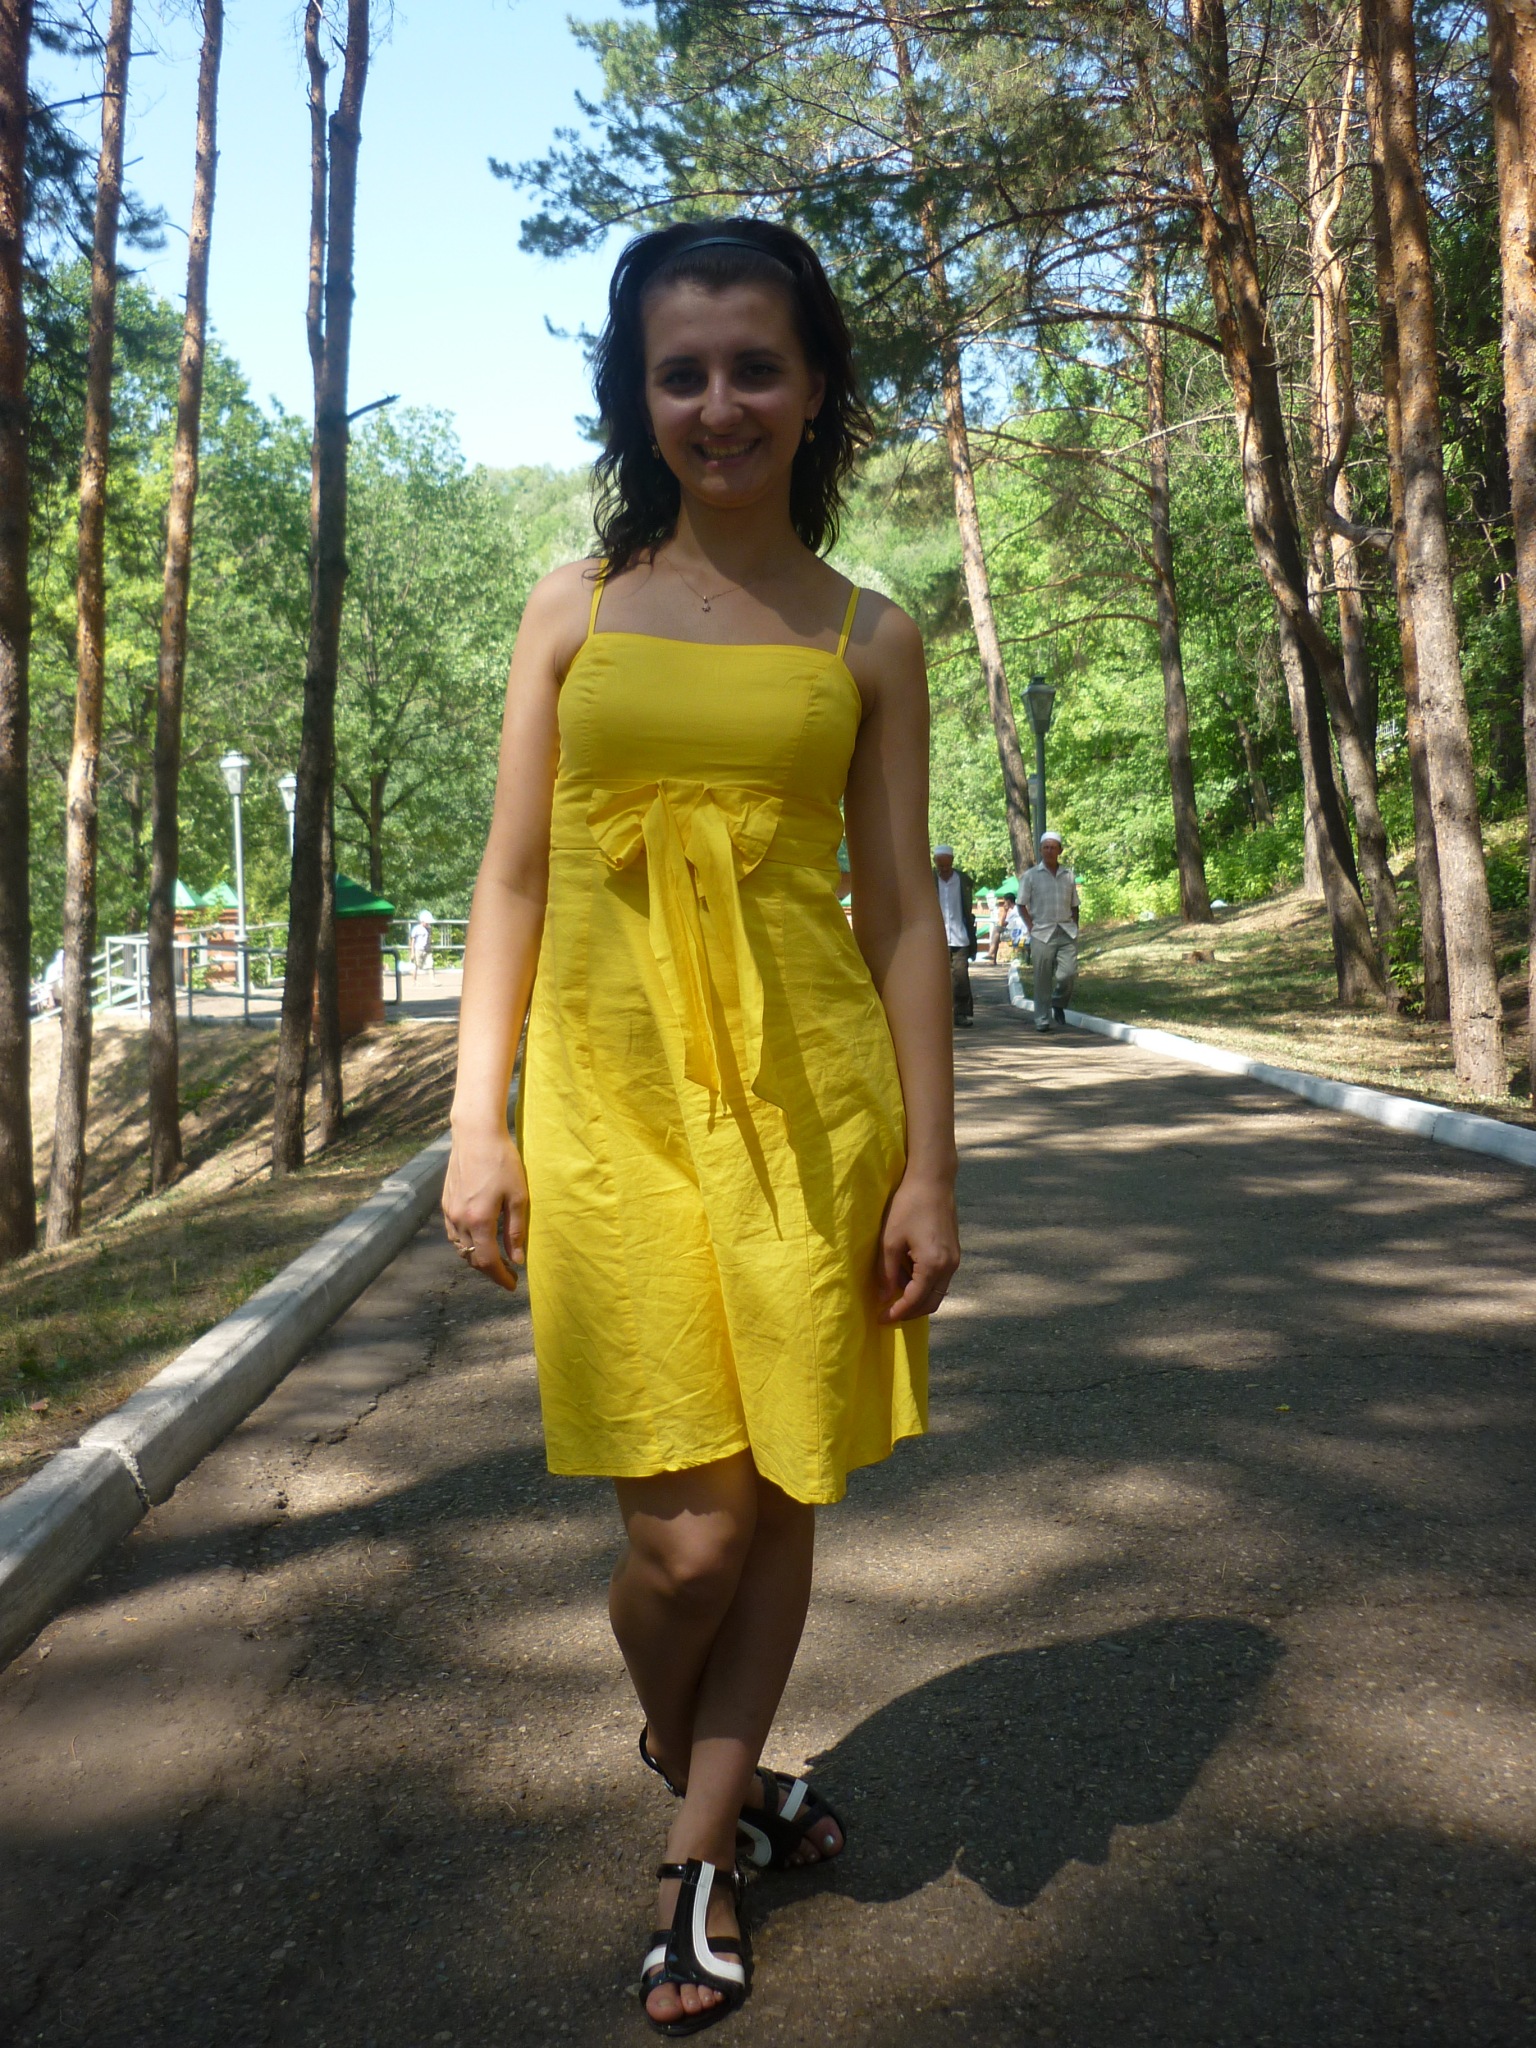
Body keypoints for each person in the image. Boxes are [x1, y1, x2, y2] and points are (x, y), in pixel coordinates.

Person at [441, 218, 960, 2037]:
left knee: (778, 1489)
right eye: (683, 373)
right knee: (685, 1544)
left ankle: (697, 1858)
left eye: (756, 368)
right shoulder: (571, 608)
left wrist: (929, 1162)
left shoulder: (870, 632)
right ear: (637, 395)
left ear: (814, 391)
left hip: (812, 1116)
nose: (720, 404)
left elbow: (902, 918)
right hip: (613, 1117)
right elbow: (512, 880)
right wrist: (479, 1122)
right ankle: (704, 1760)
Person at [1018, 829, 1080, 1032]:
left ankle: (1058, 1002)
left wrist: (1075, 925)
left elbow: (1075, 904)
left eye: (1053, 848)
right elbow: (1021, 904)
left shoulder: (1068, 875)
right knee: (1042, 979)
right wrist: (1031, 926)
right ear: (1040, 850)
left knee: (1068, 974)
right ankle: (1042, 1019)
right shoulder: (1030, 876)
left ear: (1060, 850)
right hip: (1042, 932)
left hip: (1066, 931)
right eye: (1046, 847)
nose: (1049, 851)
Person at [932, 845, 976, 1028]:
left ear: (952, 862)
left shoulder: (963, 881)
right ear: (935, 863)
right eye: (940, 866)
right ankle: (938, 1015)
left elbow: (967, 908)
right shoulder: (929, 880)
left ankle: (961, 1013)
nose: (943, 869)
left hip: (960, 936)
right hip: (936, 938)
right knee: (937, 978)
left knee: (960, 976)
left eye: (947, 866)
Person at [987, 884, 1022, 966]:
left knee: (996, 930)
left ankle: (991, 955)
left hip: (1016, 934)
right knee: (997, 933)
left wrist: (1005, 911)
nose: (1004, 903)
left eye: (1005, 901)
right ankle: (992, 957)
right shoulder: (1016, 909)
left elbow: (1002, 924)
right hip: (1016, 932)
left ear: (1008, 901)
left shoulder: (1014, 911)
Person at [408, 910, 436, 982]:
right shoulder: (417, 929)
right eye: (426, 922)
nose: (428, 924)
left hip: (427, 950)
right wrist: (412, 952)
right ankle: (414, 980)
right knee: (416, 965)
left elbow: (429, 938)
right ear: (422, 921)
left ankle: (433, 980)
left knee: (431, 964)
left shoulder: (429, 929)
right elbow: (413, 941)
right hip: (418, 950)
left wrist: (430, 944)